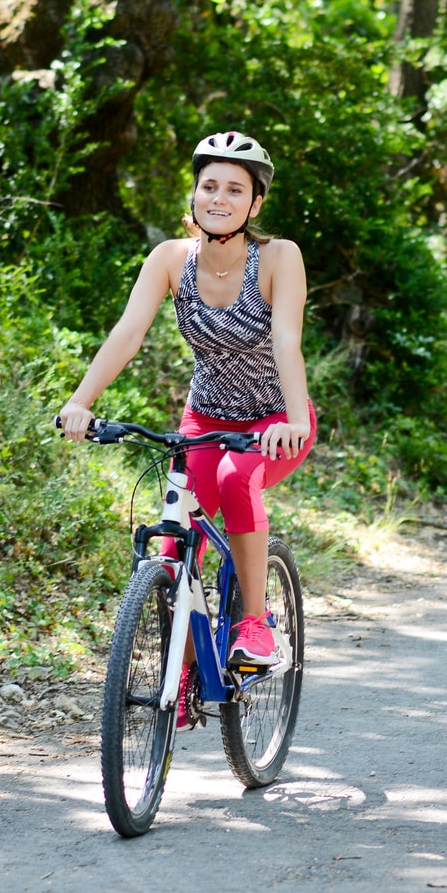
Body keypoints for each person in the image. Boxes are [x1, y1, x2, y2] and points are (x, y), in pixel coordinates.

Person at [55, 132, 314, 671]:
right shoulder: (171, 259)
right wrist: (81, 401)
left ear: (255, 203)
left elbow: (287, 340)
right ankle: (182, 675)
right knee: (174, 545)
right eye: (209, 186)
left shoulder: (278, 257)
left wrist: (291, 418)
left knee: (235, 480)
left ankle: (254, 624)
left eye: (235, 190)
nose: (219, 198)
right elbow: (128, 334)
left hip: (276, 419)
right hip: (205, 417)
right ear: (194, 195)